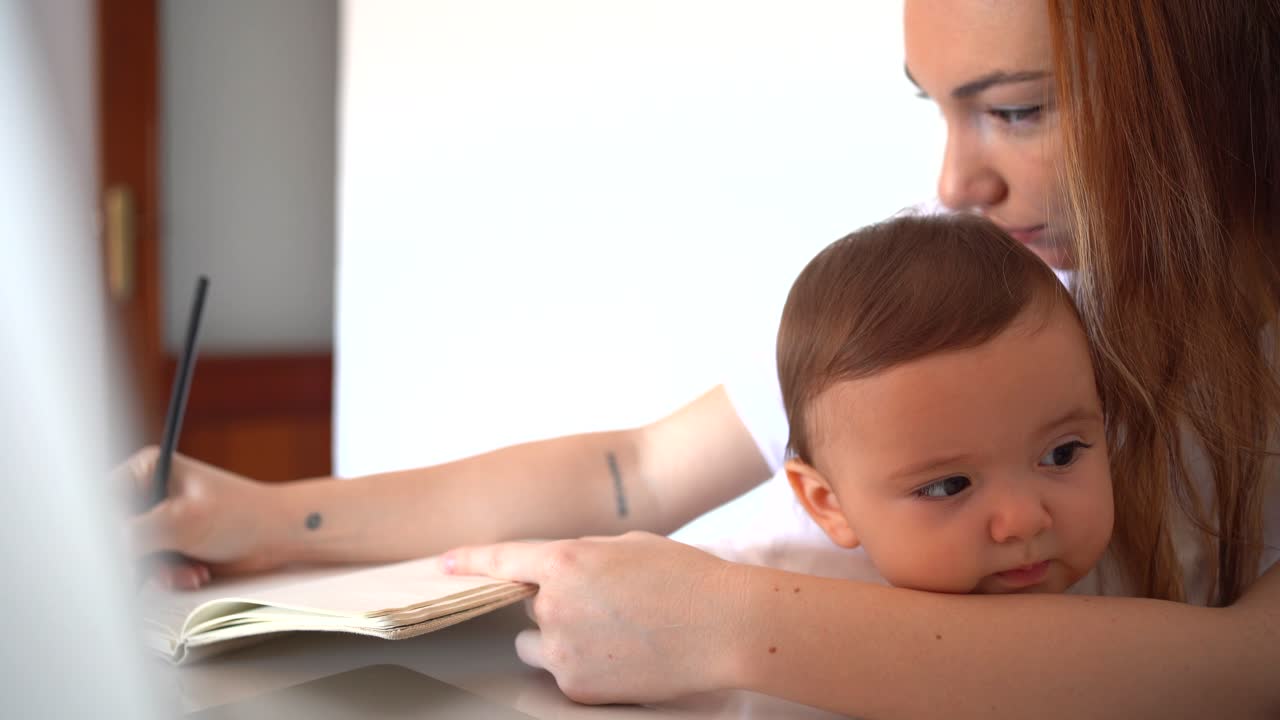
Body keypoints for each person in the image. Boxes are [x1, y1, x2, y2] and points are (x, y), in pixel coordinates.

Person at [125, 1, 1280, 717]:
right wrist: (265, 519)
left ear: (1202, 68)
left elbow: (1245, 675)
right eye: (935, 111)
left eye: (1015, 111)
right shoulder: (987, 273)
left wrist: (724, 624)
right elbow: (631, 474)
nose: (951, 184)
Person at [775, 214, 1112, 595]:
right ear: (830, 505)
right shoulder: (798, 620)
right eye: (948, 486)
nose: (1025, 520)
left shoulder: (1155, 571)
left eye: (1062, 454)